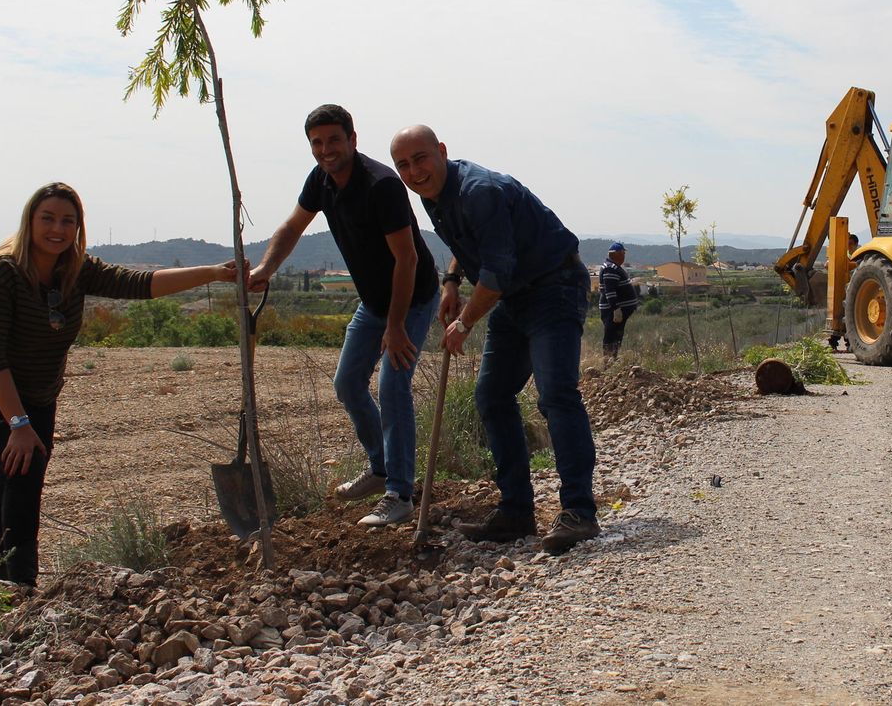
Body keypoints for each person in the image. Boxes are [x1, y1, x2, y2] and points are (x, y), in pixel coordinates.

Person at [0, 182, 239, 588]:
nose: (58, 228)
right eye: (47, 218)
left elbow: (141, 283)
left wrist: (213, 273)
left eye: (68, 220)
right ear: (29, 221)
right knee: (24, 470)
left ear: (79, 227)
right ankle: (20, 585)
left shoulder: (76, 268)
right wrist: (18, 424)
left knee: (16, 472)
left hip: (37, 396)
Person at [388, 124, 599, 555]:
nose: (414, 171)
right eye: (403, 165)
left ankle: (579, 512)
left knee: (556, 393)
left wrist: (463, 322)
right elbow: (471, 247)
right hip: (515, 295)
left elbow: (497, 273)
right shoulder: (435, 196)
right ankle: (516, 511)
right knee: (491, 395)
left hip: (553, 285)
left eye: (421, 158)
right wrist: (450, 282)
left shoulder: (478, 191)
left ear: (441, 151)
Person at [248, 104, 439, 527]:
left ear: (352, 139)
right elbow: (293, 227)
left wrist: (395, 327)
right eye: (317, 142)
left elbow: (406, 260)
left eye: (334, 139)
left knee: (392, 386)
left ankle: (400, 494)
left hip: (410, 298)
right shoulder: (321, 180)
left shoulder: (381, 185)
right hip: (373, 302)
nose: (326, 149)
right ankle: (380, 467)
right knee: (349, 383)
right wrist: (265, 269)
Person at [598, 242, 639, 360]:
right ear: (616, 254)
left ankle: (613, 360)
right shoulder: (610, 268)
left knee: (616, 335)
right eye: (623, 253)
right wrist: (616, 309)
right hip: (613, 311)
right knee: (611, 335)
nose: (624, 256)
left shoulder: (613, 267)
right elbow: (610, 290)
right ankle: (608, 363)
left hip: (617, 310)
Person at [829, 233, 861, 352]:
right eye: (847, 244)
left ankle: (849, 343)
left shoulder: (860, 255)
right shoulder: (846, 255)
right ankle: (834, 342)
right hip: (844, 289)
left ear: (855, 244)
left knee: (850, 317)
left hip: (855, 290)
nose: (848, 247)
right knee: (841, 316)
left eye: (850, 244)